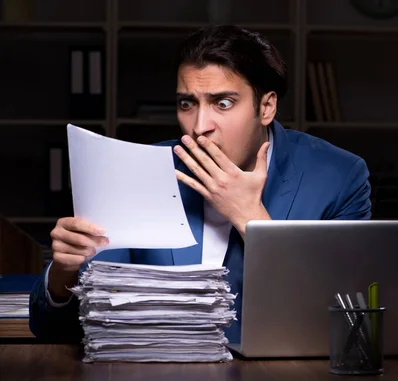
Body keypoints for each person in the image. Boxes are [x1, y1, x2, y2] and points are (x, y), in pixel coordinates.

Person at [29, 25, 372, 344]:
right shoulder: (137, 171)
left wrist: (252, 220)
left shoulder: (338, 178)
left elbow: (350, 330)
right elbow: (58, 329)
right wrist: (63, 272)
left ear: (266, 107)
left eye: (223, 103)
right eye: (187, 104)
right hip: (155, 377)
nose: (199, 126)